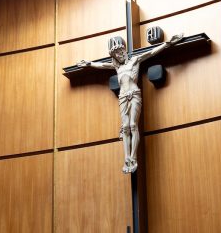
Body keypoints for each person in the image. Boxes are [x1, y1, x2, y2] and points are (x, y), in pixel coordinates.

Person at [77, 33, 183, 173]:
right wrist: (89, 64)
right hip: (122, 97)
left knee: (133, 124)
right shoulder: (117, 67)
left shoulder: (135, 60)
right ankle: (127, 158)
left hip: (134, 94)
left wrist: (168, 43)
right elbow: (102, 65)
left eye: (120, 52)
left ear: (124, 51)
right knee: (125, 127)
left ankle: (133, 157)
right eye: (115, 55)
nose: (119, 56)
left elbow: (151, 52)